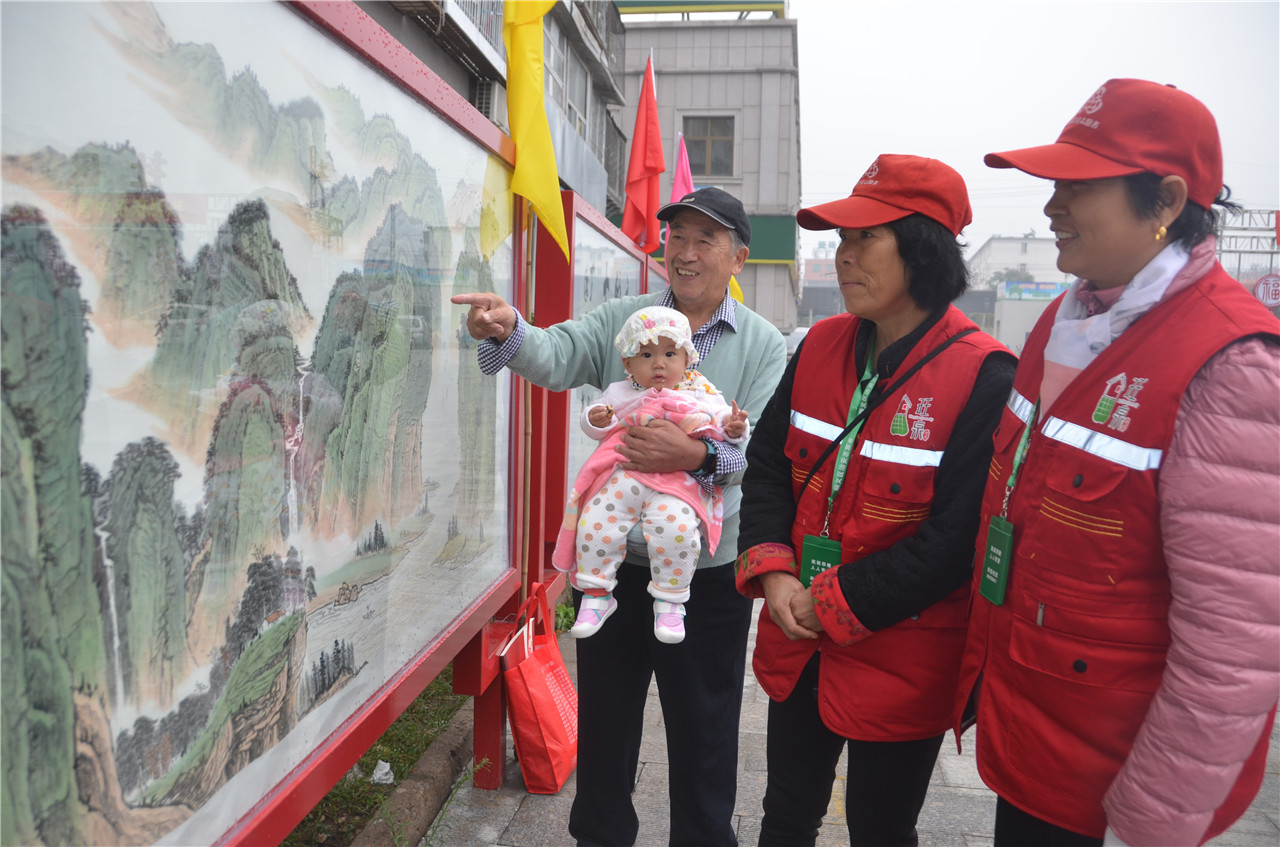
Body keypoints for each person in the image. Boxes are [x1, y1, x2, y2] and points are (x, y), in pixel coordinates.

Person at [952, 78, 1280, 846]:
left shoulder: (1231, 364)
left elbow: (1234, 637)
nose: (1050, 206)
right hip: (1033, 733)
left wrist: (1156, 815)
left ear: (1165, 201)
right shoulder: (1064, 323)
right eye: (1053, 183)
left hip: (1118, 778)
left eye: (1077, 186)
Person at [452, 186, 786, 847]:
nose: (684, 253)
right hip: (610, 571)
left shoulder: (763, 345)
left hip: (707, 580)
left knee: (705, 733)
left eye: (703, 240)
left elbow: (759, 449)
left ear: (738, 257)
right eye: (675, 238)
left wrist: (692, 451)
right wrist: (507, 327)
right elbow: (555, 352)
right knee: (605, 729)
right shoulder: (623, 319)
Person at [735, 154, 1016, 847]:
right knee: (785, 813)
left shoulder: (983, 373)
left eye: (866, 238)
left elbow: (955, 540)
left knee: (882, 827)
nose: (844, 255)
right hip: (798, 636)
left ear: (921, 251)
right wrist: (776, 575)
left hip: (904, 655)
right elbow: (769, 464)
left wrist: (828, 601)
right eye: (841, 238)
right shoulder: (820, 344)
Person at [554, 305, 749, 644]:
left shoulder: (702, 391)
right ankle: (597, 594)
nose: (659, 363)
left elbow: (724, 428)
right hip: (625, 475)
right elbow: (599, 422)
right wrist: (594, 419)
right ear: (628, 363)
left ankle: (671, 601)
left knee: (676, 528)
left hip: (676, 483)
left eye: (670, 353)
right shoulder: (621, 391)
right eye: (646, 354)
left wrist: (734, 428)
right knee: (595, 521)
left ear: (687, 358)